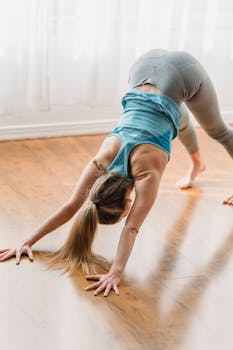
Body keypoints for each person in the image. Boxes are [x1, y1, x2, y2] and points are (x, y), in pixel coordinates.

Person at [0, 49, 233, 297]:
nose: (129, 211)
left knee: (218, 130)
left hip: (184, 71)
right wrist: (26, 242)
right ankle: (198, 164)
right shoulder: (101, 163)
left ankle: (200, 159)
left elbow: (131, 228)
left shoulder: (146, 172)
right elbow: (71, 205)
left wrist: (116, 272)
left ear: (126, 200)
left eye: (126, 210)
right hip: (144, 66)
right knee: (178, 118)